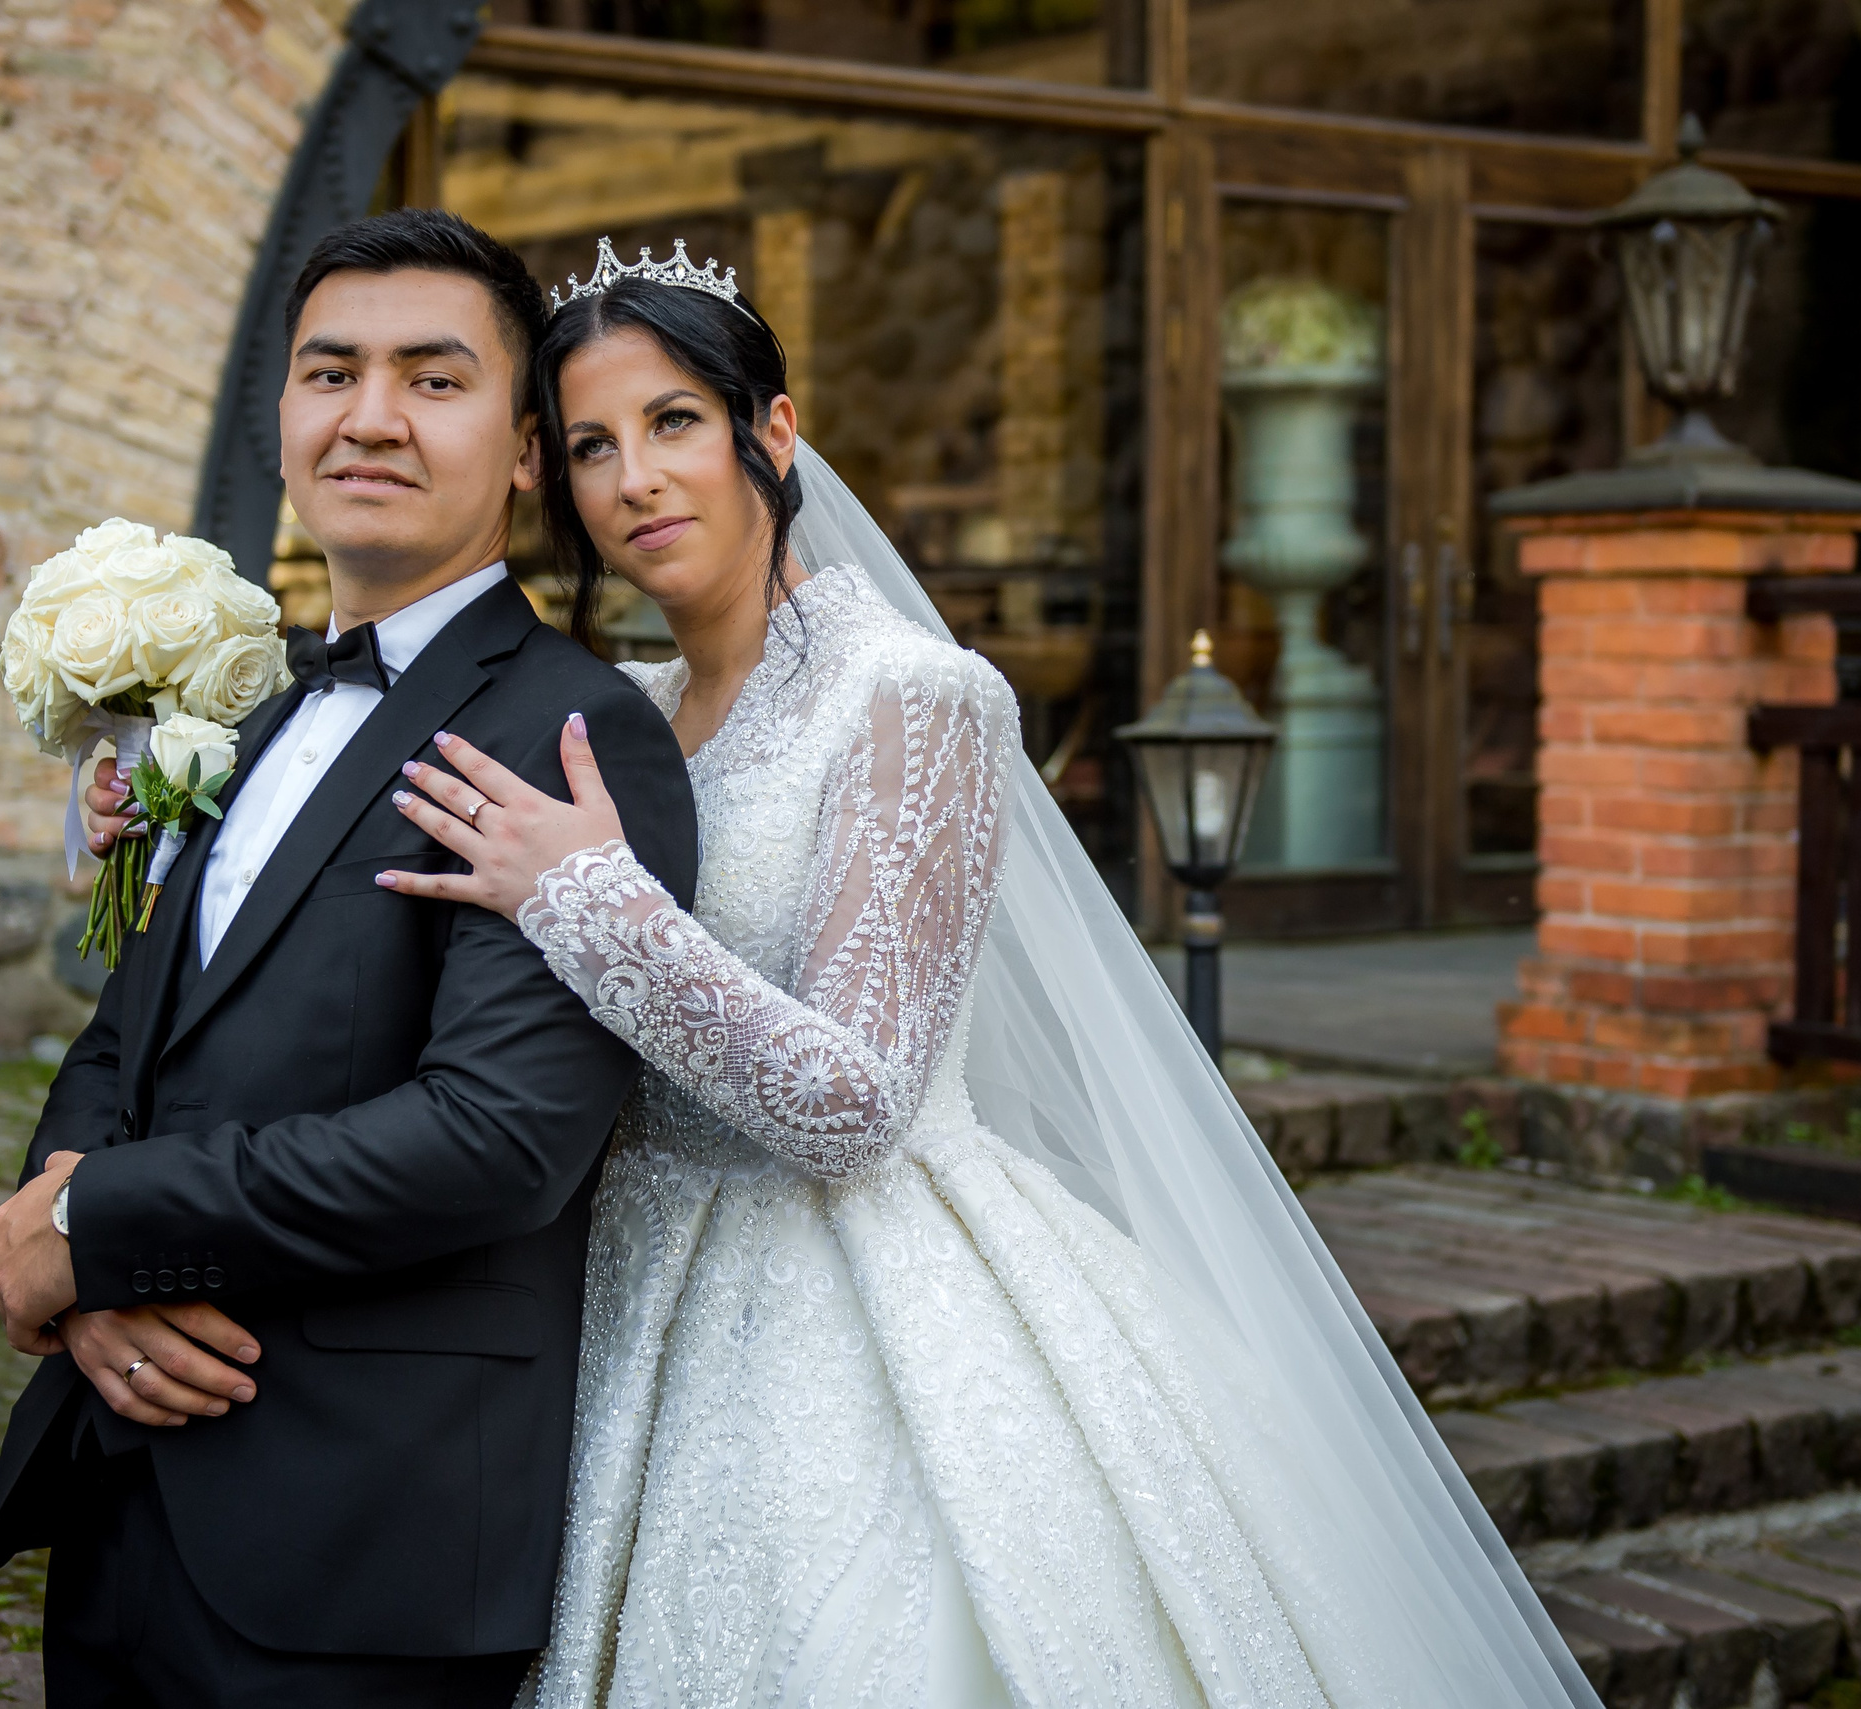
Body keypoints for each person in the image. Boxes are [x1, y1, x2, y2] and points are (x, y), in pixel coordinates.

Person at [374, 239, 1604, 1708]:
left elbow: (856, 1100)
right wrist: (147, 787)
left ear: (773, 434)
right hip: (618, 1286)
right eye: (590, 444)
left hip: (855, 1296)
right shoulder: (613, 713)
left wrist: (588, 898)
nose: (634, 475)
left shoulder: (913, 697)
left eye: (675, 421)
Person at [0, 209, 699, 1709]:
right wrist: (84, 1270)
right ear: (285, 418)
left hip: (368, 1531)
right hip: (126, 1476)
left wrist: (104, 1220)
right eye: (329, 372)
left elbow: (495, 1138)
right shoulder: (239, 710)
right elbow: (131, 1038)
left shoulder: (568, 730)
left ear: (522, 454)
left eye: (434, 379)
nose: (369, 416)